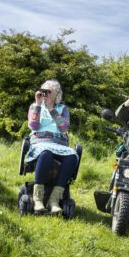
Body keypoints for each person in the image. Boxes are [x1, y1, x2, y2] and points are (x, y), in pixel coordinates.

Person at [26, 79, 78, 214]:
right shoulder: (34, 106)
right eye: (44, 91)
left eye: (49, 92)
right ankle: (38, 199)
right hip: (40, 142)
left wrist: (51, 108)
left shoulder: (62, 109)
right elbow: (33, 126)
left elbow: (63, 128)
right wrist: (38, 105)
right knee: (46, 153)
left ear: (57, 94)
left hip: (60, 143)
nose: (46, 94)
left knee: (72, 157)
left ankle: (54, 199)